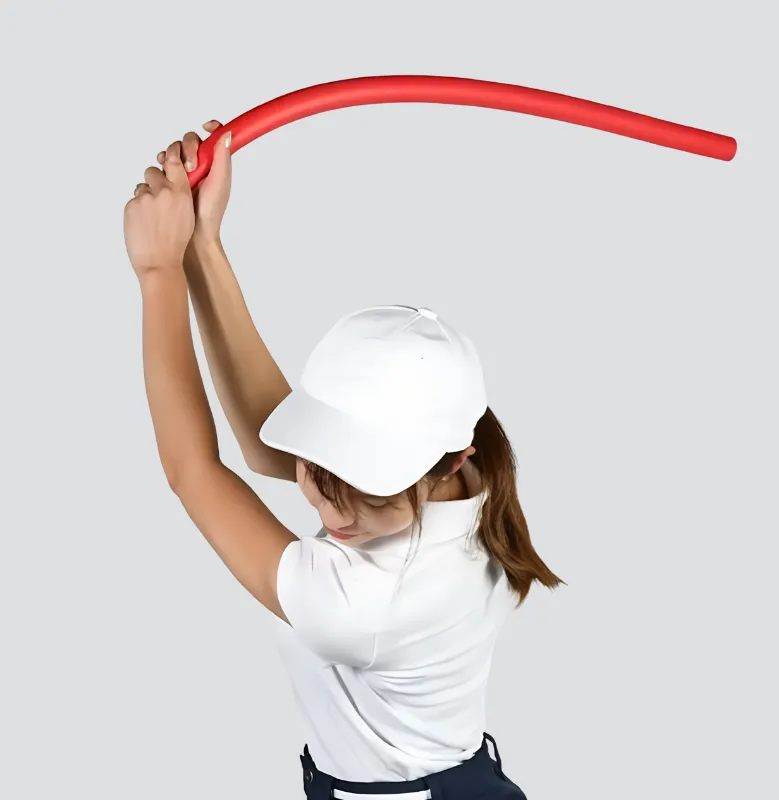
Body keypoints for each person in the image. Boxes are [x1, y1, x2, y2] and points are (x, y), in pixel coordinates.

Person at [142, 120, 565, 799]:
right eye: (319, 470)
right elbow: (267, 439)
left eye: (369, 490)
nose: (328, 509)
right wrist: (199, 243)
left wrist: (156, 273)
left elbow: (192, 471)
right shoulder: (471, 471)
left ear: (446, 463)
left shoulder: (371, 604)